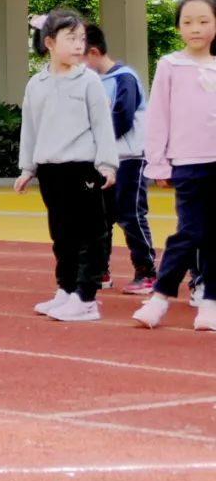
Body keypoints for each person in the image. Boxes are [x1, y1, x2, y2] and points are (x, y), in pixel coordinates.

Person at [16, 10, 118, 322]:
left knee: (91, 233)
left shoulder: (89, 80)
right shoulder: (37, 84)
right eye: (70, 38)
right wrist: (27, 168)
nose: (78, 45)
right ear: (49, 42)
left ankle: (86, 297)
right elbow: (30, 128)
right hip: (50, 170)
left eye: (81, 39)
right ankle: (66, 289)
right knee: (62, 233)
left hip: (82, 168)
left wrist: (107, 163)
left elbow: (102, 125)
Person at [132, 0, 216, 331]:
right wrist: (159, 163)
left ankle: (209, 303)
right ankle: (160, 298)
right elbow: (158, 118)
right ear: (179, 28)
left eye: (204, 21)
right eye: (188, 22)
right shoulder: (170, 65)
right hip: (187, 163)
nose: (195, 28)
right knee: (190, 232)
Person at [83, 24, 157, 295]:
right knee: (101, 217)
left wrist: (94, 138)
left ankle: (146, 271)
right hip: (103, 160)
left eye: (80, 57)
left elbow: (122, 119)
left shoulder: (124, 78)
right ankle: (100, 271)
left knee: (131, 214)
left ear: (92, 52)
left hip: (129, 158)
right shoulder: (91, 81)